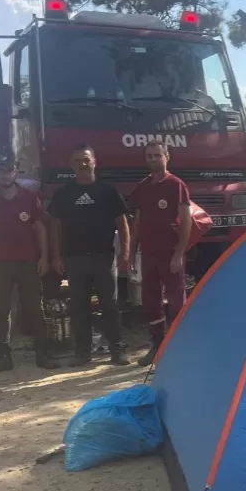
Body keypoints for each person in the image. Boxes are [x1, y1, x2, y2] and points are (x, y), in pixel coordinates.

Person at [0, 156, 58, 375]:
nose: (5, 175)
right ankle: (2, 356)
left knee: (35, 309)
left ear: (16, 172)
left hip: (27, 262)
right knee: (0, 311)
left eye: (9, 170)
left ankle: (43, 353)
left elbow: (40, 229)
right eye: (1, 171)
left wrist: (44, 257)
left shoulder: (30, 197)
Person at [48, 143, 131, 367]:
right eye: (77, 160)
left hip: (104, 257)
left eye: (86, 160)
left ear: (94, 162)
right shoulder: (63, 194)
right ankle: (82, 352)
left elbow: (122, 224)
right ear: (71, 164)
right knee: (78, 307)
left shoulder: (108, 191)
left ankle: (118, 349)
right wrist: (55, 257)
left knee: (110, 306)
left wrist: (126, 251)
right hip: (75, 259)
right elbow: (56, 228)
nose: (82, 164)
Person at [129, 141, 193, 366]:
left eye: (158, 155)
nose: (153, 159)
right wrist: (131, 253)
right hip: (149, 254)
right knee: (151, 300)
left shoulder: (176, 185)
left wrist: (178, 253)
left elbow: (186, 221)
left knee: (177, 299)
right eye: (149, 155)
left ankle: (183, 346)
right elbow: (137, 222)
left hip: (170, 253)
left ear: (167, 157)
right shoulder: (142, 187)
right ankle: (157, 346)